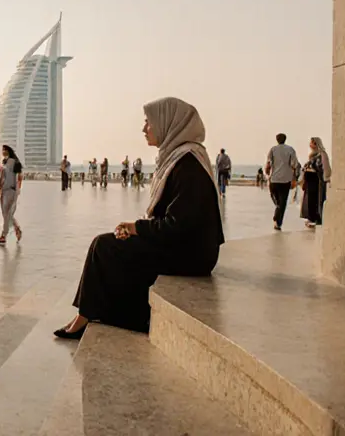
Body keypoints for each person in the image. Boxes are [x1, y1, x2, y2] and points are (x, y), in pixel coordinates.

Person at [55, 97, 225, 339]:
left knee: (103, 246)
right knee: (109, 245)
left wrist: (137, 228)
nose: (144, 129)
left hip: (192, 254)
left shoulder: (188, 165)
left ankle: (89, 316)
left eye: (149, 122)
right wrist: (138, 228)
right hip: (185, 246)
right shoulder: (179, 158)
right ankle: (87, 313)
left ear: (168, 123)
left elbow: (179, 226)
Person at [265, 133, 300, 231]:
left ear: (277, 139)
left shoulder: (273, 149)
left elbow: (268, 164)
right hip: (286, 180)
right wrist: (294, 177)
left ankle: (277, 219)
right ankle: (278, 221)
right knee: (283, 202)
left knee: (275, 199)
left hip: (274, 179)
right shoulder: (290, 149)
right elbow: (294, 164)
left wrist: (267, 172)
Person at [301, 137, 332, 228]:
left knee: (318, 200)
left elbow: (325, 168)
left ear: (316, 144)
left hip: (317, 181)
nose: (310, 145)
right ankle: (311, 218)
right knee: (310, 200)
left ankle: (317, 218)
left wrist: (326, 178)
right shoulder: (312, 155)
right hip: (310, 182)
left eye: (311, 143)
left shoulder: (322, 154)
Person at [0, 145, 23, 245]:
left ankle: (4, 235)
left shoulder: (10, 162)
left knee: (7, 214)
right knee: (7, 214)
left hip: (9, 190)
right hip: (9, 190)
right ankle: (16, 229)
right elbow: (20, 177)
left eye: (4, 150)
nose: (3, 151)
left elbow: (3, 178)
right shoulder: (8, 162)